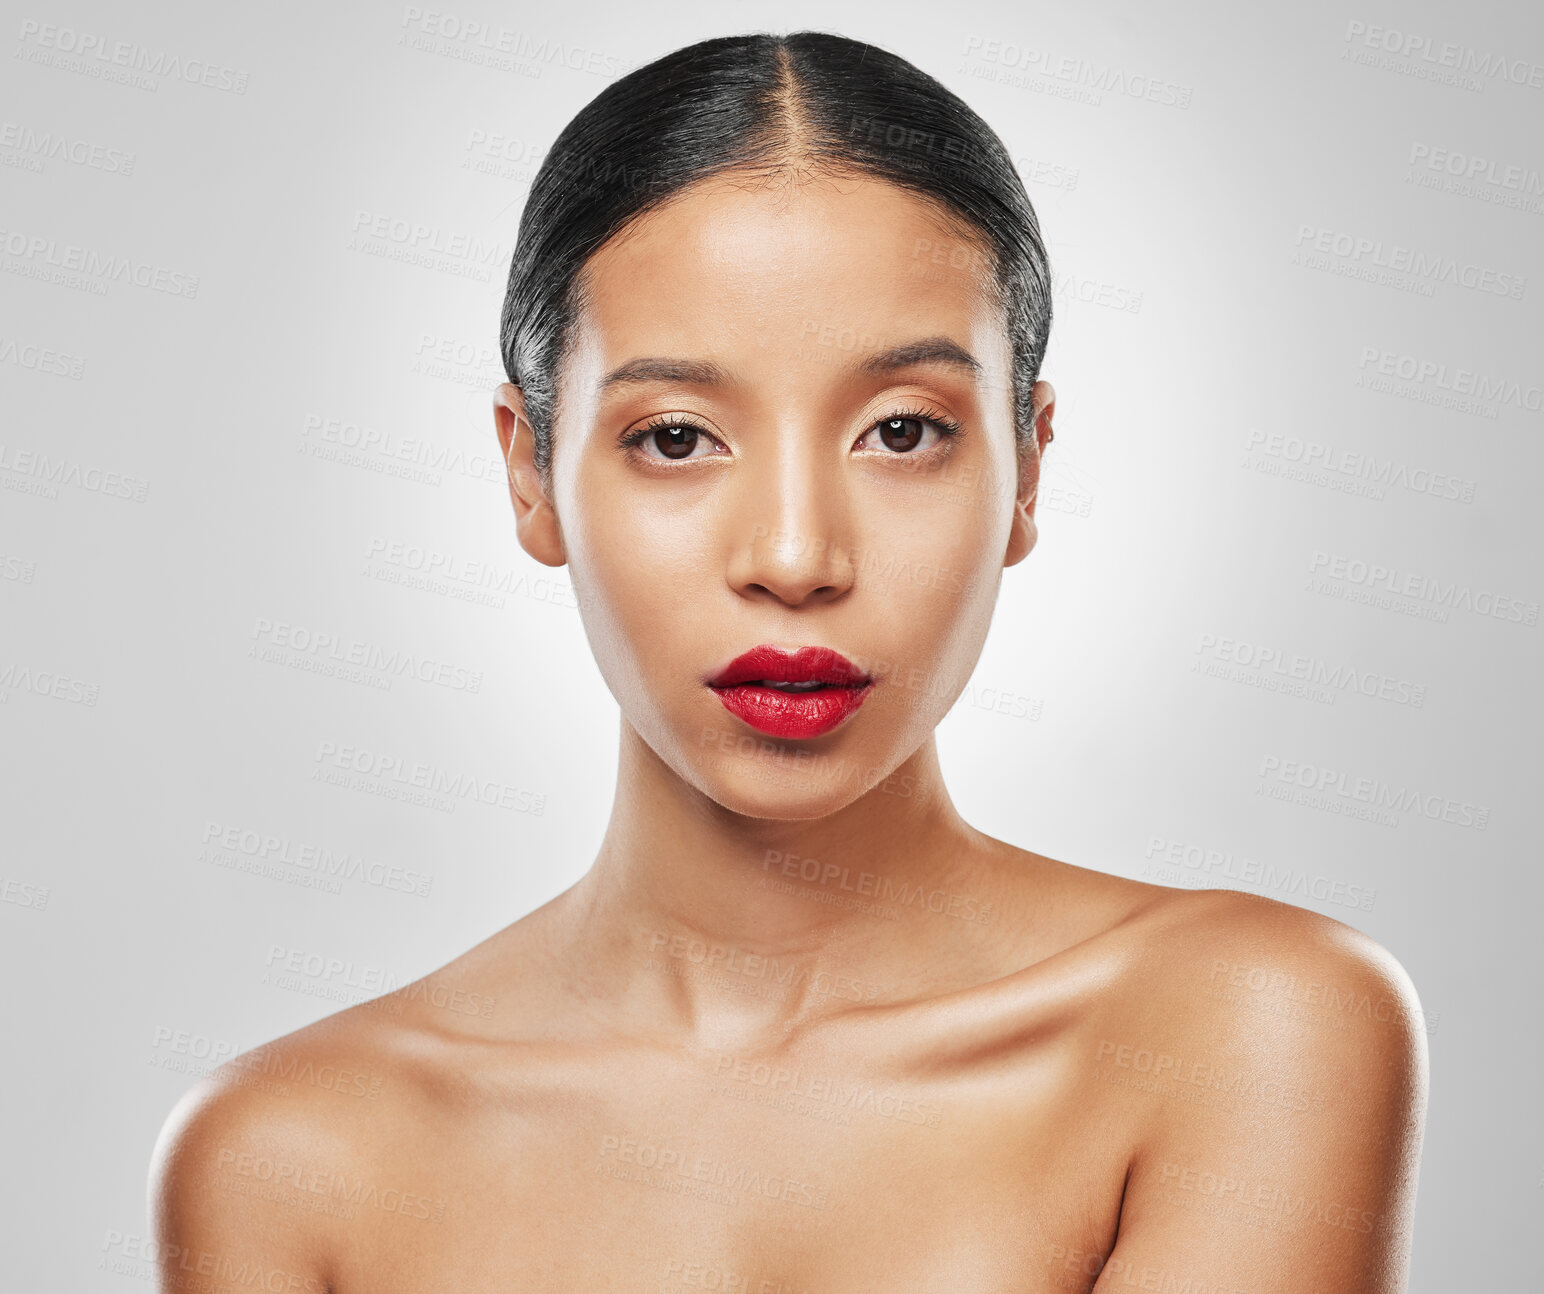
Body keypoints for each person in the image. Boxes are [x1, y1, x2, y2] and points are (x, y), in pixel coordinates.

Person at [148, 31, 1427, 1292]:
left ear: (1028, 467)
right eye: (676, 437)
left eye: (903, 429)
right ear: (526, 469)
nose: (795, 553)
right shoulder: (287, 1155)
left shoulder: (1243, 1029)